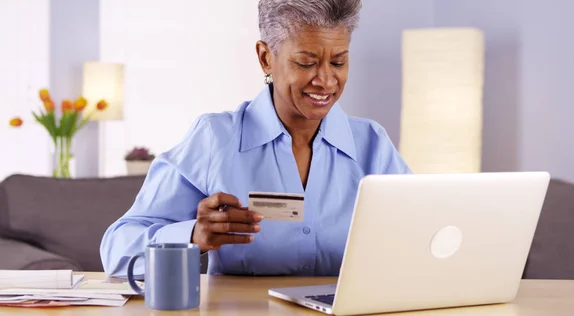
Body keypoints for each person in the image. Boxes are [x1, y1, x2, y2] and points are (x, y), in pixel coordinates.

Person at [100, 0, 411, 277]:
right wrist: (193, 234)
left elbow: (420, 237)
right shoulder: (214, 140)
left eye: (339, 62)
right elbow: (118, 247)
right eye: (306, 62)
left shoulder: (372, 144)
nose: (326, 80)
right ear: (266, 58)